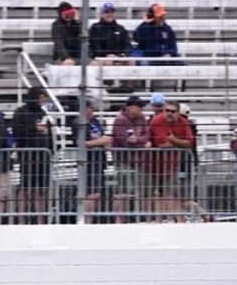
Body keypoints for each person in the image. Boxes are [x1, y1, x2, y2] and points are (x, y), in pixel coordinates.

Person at [12, 86, 54, 225]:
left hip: (43, 157)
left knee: (41, 189)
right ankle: (22, 219)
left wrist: (51, 151)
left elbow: (50, 134)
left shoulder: (43, 113)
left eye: (43, 98)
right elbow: (17, 132)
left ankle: (41, 219)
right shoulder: (20, 112)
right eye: (40, 98)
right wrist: (34, 128)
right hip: (27, 156)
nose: (42, 101)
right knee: (25, 187)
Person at [148, 99, 195, 223]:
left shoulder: (183, 122)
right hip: (151, 165)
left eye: (172, 111)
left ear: (178, 112)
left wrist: (174, 140)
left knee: (170, 194)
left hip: (171, 165)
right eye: (166, 111)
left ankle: (173, 220)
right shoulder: (157, 121)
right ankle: (158, 221)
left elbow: (190, 143)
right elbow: (162, 144)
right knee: (155, 194)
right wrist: (179, 142)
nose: (169, 113)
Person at [70, 100, 112, 224]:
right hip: (87, 161)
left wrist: (103, 141)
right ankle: (86, 220)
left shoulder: (95, 121)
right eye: (90, 108)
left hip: (99, 160)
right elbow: (81, 142)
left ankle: (91, 219)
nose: (92, 110)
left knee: (96, 193)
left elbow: (102, 137)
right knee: (90, 192)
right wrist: (100, 142)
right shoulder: (78, 123)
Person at [111, 95, 151, 223]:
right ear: (130, 107)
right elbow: (125, 141)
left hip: (138, 160)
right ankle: (120, 220)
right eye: (139, 107)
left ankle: (138, 218)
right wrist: (141, 142)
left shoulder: (141, 118)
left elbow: (146, 135)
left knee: (139, 190)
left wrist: (137, 140)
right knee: (124, 191)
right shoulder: (120, 120)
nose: (141, 109)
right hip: (123, 160)